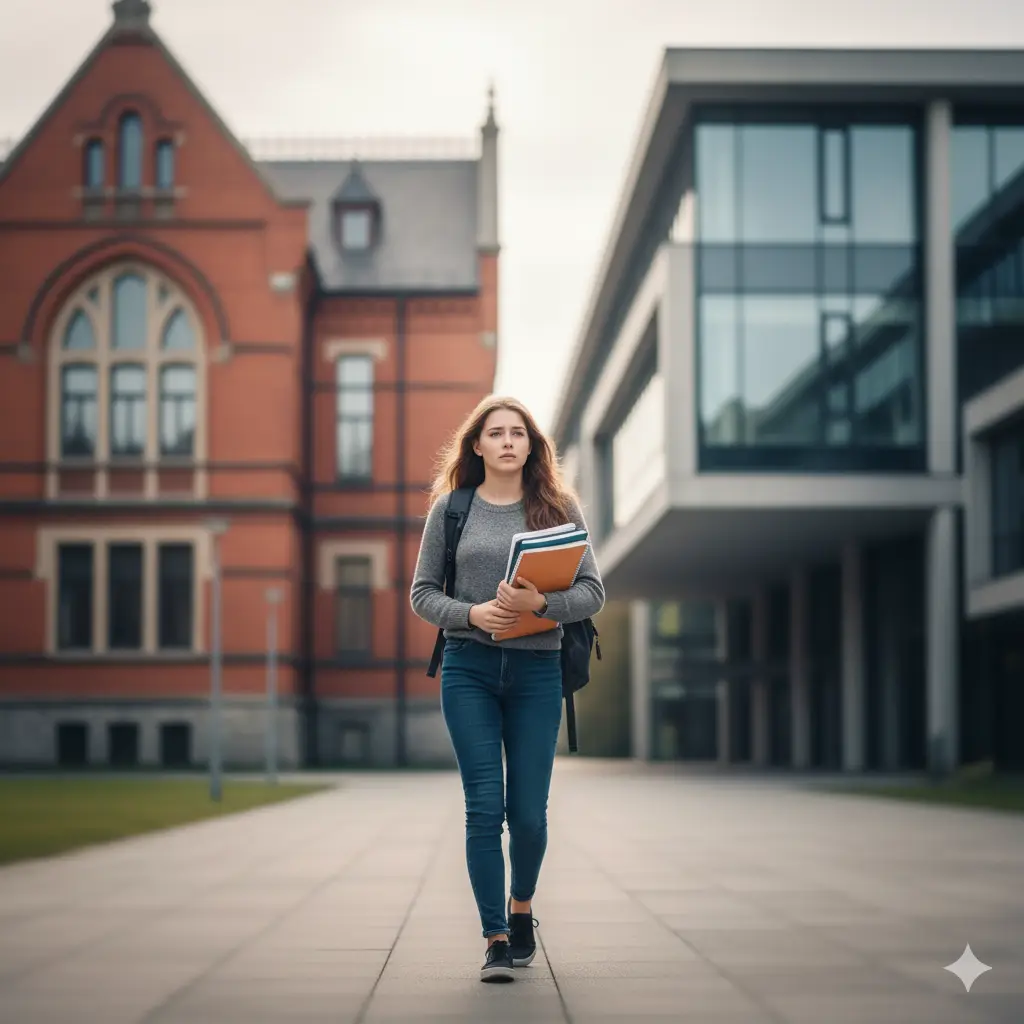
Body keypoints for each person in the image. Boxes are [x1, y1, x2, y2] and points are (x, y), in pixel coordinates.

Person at [410, 395, 605, 983]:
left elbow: (593, 592)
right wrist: (473, 615)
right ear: (477, 445)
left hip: (537, 673)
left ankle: (523, 908)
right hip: (468, 670)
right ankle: (495, 935)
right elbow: (422, 594)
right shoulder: (452, 510)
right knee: (483, 808)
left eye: (517, 432)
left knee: (527, 814)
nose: (507, 441)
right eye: (495, 433)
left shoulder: (557, 506)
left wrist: (541, 603)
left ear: (531, 444)